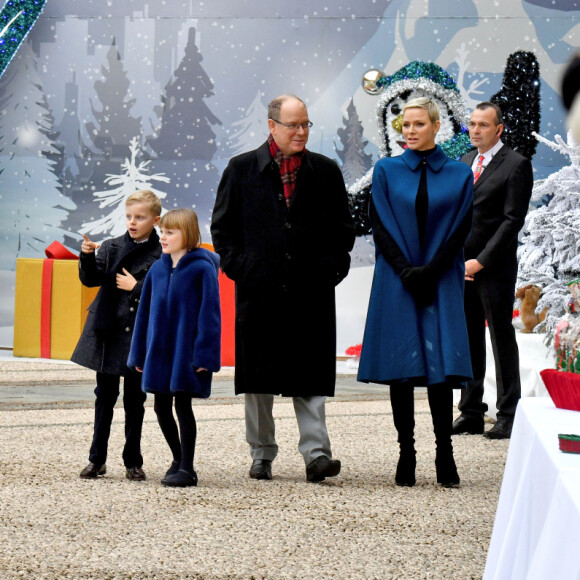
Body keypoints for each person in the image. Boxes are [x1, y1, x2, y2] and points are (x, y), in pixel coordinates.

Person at [211, 94, 355, 483]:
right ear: (272, 125)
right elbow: (223, 230)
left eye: (306, 124)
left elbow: (343, 231)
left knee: (309, 373)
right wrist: (243, 268)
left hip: (312, 290)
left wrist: (331, 270)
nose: (301, 132)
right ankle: (261, 454)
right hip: (260, 291)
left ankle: (317, 455)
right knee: (259, 378)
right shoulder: (241, 169)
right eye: (293, 124)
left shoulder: (325, 171)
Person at [358, 97, 473, 487]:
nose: (409, 131)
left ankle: (445, 453)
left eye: (418, 124)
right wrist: (407, 270)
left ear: (436, 126)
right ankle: (406, 453)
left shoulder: (459, 174)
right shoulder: (386, 170)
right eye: (404, 125)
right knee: (401, 369)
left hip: (440, 277)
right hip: (397, 276)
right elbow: (381, 225)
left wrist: (432, 270)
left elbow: (460, 228)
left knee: (440, 369)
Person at [452, 102, 533, 440]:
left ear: (498, 129)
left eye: (483, 125)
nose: (475, 130)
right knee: (469, 336)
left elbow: (512, 221)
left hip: (494, 267)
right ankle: (471, 411)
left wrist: (481, 261)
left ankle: (509, 414)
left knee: (500, 337)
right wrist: (458, 260)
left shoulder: (516, 164)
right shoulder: (467, 161)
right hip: (463, 265)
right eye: (472, 124)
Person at [72, 190, 162, 481]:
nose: (133, 222)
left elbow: (163, 293)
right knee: (104, 397)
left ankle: (132, 461)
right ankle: (96, 459)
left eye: (140, 217)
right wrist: (86, 258)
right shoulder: (111, 246)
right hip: (108, 331)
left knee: (135, 401)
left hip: (137, 333)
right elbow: (91, 279)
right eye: (129, 217)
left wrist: (136, 286)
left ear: (155, 220)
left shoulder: (162, 254)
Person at [128, 209, 221, 487]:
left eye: (170, 232)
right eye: (162, 231)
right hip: (159, 353)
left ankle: (188, 468)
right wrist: (139, 354)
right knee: (160, 407)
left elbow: (211, 316)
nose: (163, 237)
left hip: (186, 353)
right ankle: (178, 459)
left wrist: (205, 354)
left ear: (187, 234)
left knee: (183, 405)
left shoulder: (202, 268)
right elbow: (144, 315)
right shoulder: (158, 268)